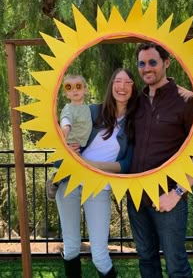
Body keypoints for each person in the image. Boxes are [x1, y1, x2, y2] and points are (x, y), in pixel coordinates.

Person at [127, 42, 193, 278]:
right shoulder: (137, 102)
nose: (147, 68)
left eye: (152, 62)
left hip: (168, 197)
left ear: (166, 63)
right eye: (142, 64)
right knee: (146, 260)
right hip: (137, 197)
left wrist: (176, 194)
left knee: (176, 265)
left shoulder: (187, 100)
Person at [56, 68, 138, 277]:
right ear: (111, 86)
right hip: (70, 182)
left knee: (100, 255)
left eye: (127, 82)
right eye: (117, 81)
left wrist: (89, 164)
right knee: (71, 247)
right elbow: (67, 120)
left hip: (99, 186)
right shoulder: (93, 111)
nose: (122, 86)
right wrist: (67, 145)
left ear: (133, 88)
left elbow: (126, 164)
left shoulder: (136, 123)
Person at [46, 74, 92, 200]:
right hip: (71, 146)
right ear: (66, 94)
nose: (74, 90)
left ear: (85, 89)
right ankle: (55, 180)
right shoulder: (69, 109)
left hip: (81, 146)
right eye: (69, 87)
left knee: (79, 170)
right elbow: (66, 120)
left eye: (78, 86)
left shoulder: (86, 108)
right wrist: (65, 130)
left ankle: (60, 179)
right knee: (75, 169)